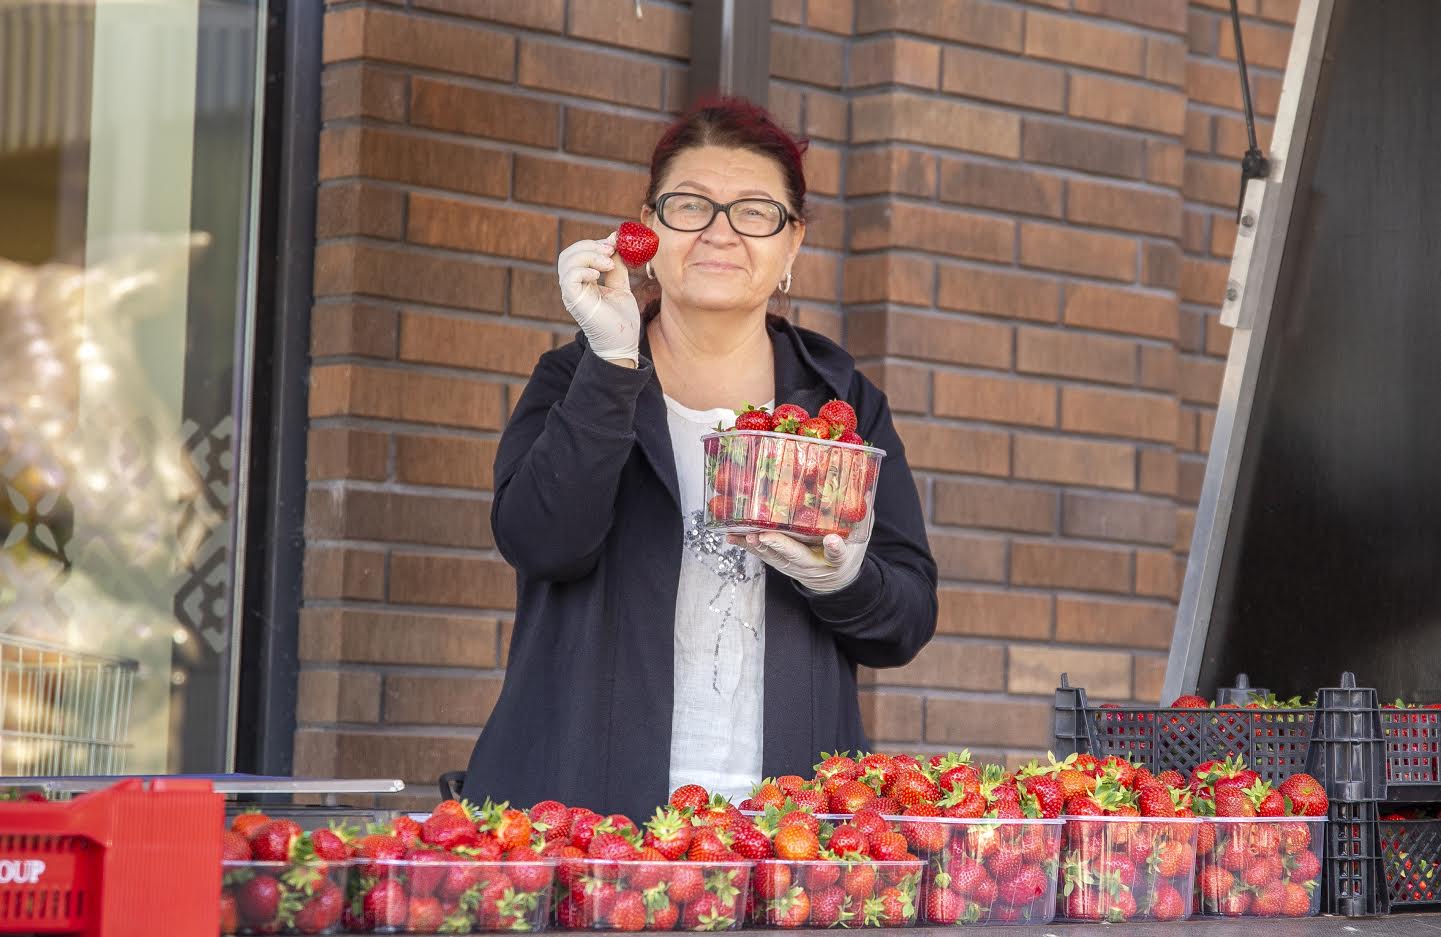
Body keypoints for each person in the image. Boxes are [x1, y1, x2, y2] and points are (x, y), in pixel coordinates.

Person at [461, 97, 937, 820]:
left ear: (792, 243)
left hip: (787, 827)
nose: (719, 232)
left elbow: (903, 621)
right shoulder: (575, 377)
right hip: (587, 818)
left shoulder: (839, 402)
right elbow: (540, 541)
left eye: (754, 211)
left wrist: (843, 580)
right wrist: (613, 360)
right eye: (690, 206)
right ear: (648, 226)